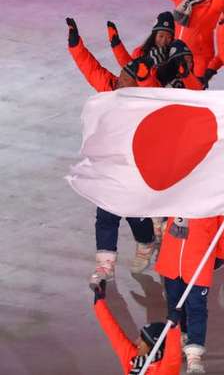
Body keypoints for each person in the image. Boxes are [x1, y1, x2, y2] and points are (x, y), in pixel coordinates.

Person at [66, 18, 159, 283]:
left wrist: (144, 77)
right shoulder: (110, 88)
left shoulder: (145, 101)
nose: (119, 79)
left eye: (126, 77)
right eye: (121, 75)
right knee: (105, 213)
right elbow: (91, 68)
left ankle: (146, 241)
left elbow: (155, 91)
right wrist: (75, 44)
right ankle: (105, 265)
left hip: (132, 167)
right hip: (107, 165)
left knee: (132, 212)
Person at [155, 215, 224, 374]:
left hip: (199, 260)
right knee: (175, 306)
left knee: (196, 308)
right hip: (172, 259)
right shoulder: (178, 190)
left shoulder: (216, 195)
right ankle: (180, 338)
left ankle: (194, 355)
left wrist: (221, 253)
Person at [92, 280, 182, 374]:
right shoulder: (132, 356)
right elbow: (113, 332)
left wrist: (173, 328)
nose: (138, 341)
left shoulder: (164, 370)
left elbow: (173, 356)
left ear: (151, 346)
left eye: (142, 339)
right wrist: (99, 303)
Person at [107, 11, 175, 69]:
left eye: (168, 37)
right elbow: (130, 70)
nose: (164, 41)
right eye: (161, 36)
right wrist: (116, 44)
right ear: (154, 35)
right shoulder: (140, 52)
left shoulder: (176, 55)